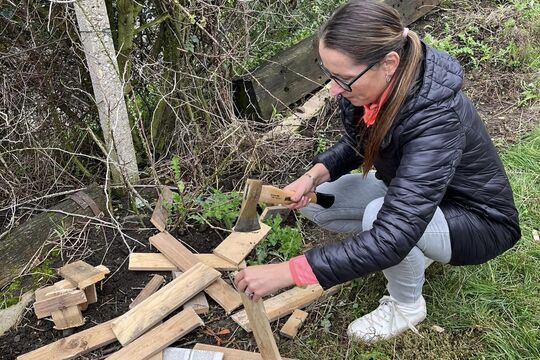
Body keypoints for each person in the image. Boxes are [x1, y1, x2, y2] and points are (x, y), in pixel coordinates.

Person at [234, 0, 520, 343]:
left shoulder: (436, 118)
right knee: (316, 201)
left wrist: (288, 272)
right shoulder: (368, 88)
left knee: (380, 220)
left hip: (479, 221)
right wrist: (313, 176)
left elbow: (391, 236)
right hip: (416, 195)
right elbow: (357, 143)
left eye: (342, 78)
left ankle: (406, 306)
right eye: (328, 74)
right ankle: (419, 245)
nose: (333, 89)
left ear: (389, 63)